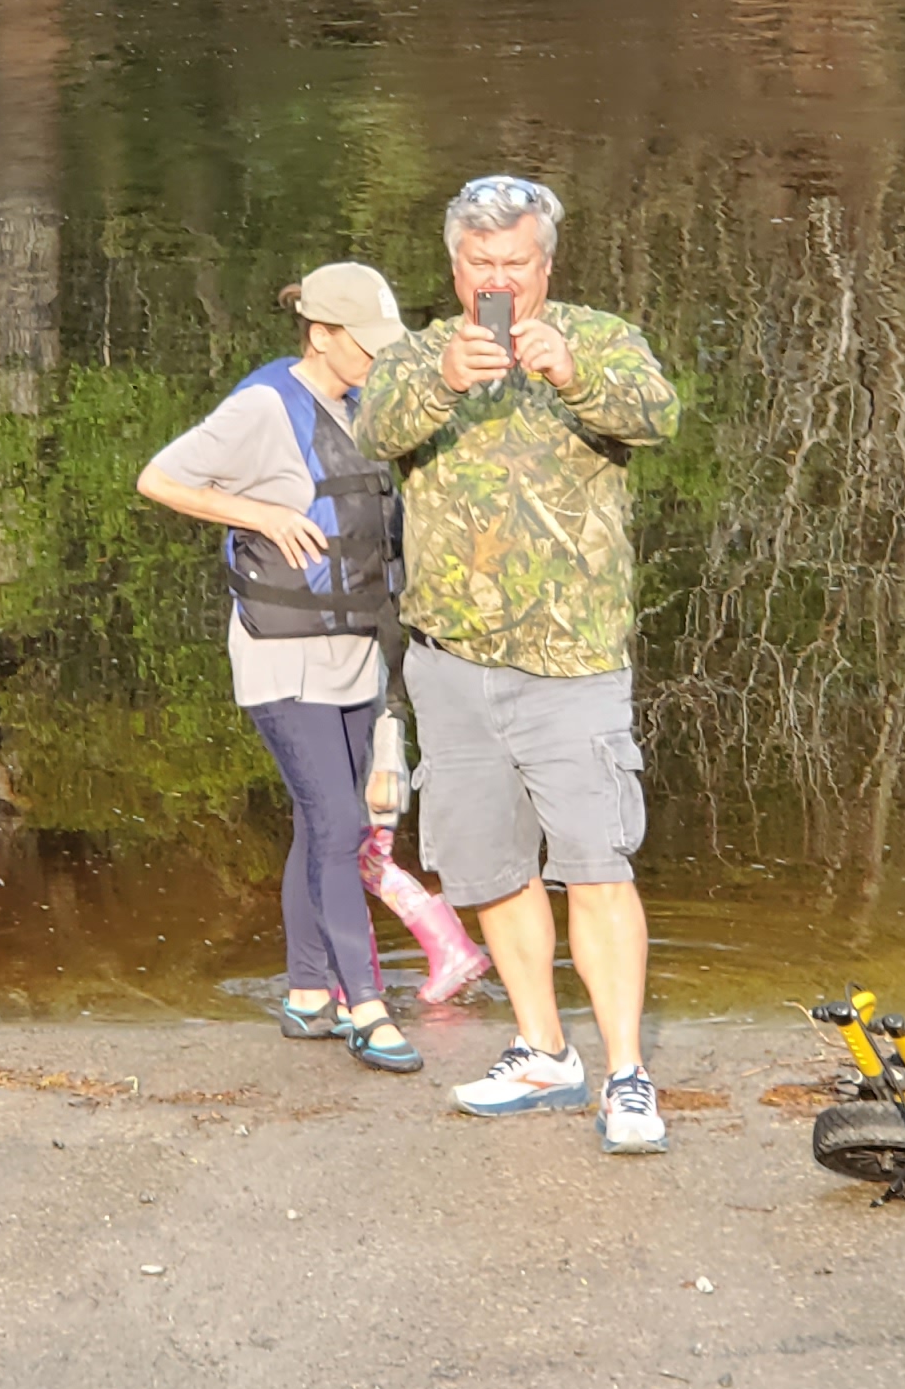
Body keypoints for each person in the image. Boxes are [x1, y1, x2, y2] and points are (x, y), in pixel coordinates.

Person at [350, 175, 681, 1155]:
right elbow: (373, 430)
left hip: (570, 658)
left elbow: (657, 415)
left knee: (595, 865)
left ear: (548, 264)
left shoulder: (600, 336)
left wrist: (572, 373)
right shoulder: (419, 354)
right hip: (451, 662)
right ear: (456, 267)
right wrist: (445, 379)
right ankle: (542, 1050)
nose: (500, 281)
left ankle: (624, 1074)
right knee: (490, 867)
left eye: (517, 265)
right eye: (481, 265)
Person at [136, 263, 425, 1074]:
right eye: (363, 345)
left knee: (330, 823)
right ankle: (367, 1009)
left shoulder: (364, 402)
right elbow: (158, 478)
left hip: (355, 647)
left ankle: (306, 993)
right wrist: (258, 511)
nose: (376, 358)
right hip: (280, 654)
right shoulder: (264, 407)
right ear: (319, 335)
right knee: (336, 822)